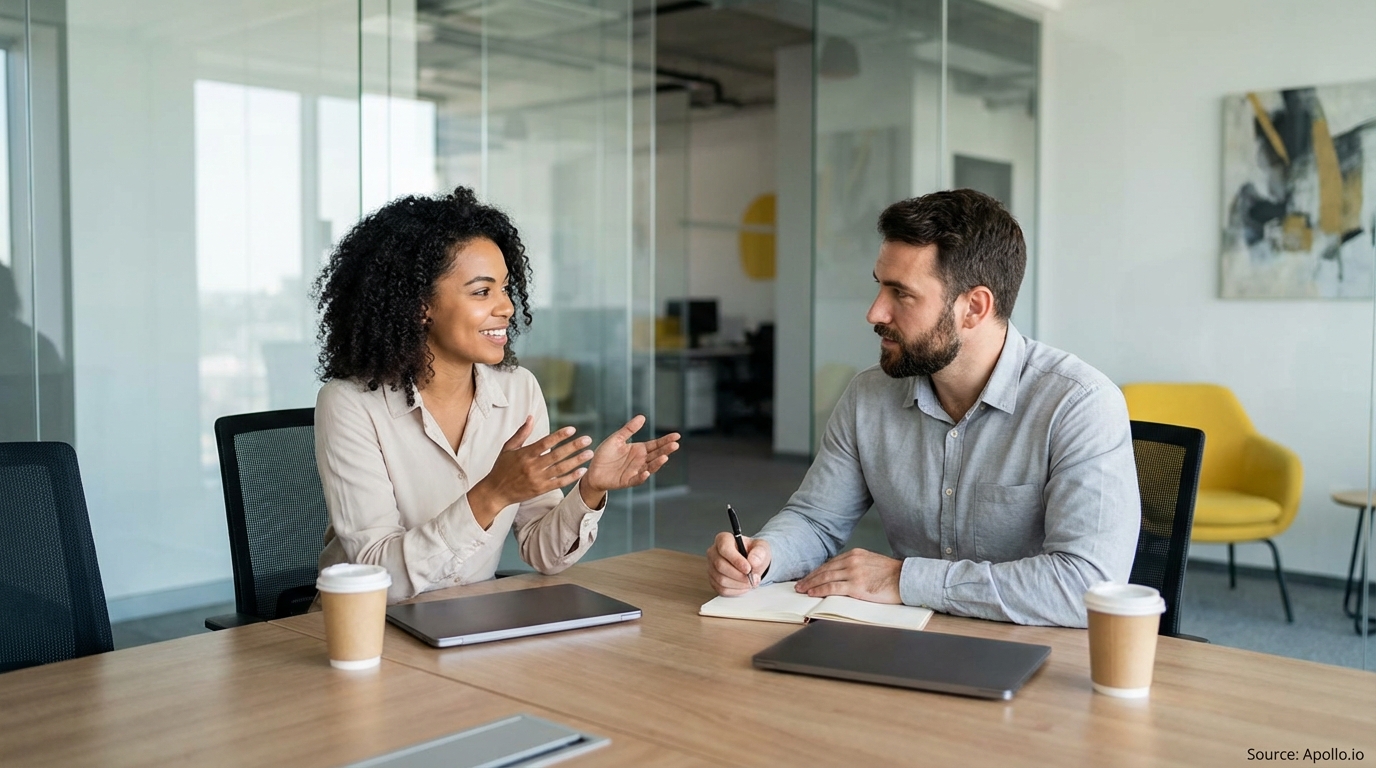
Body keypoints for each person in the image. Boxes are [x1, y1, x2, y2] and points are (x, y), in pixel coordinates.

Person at [707, 189, 1139, 628]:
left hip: (1035, 655)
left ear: (974, 307)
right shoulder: (868, 396)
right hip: (908, 641)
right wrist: (764, 554)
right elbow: (817, 520)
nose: (875, 312)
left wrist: (905, 580)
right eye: (879, 286)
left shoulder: (1079, 405)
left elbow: (1088, 585)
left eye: (902, 294)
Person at [314, 187, 679, 602]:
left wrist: (589, 490)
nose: (506, 306)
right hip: (366, 630)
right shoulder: (348, 403)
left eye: (505, 288)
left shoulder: (518, 390)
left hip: (465, 625)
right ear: (420, 306)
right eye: (481, 291)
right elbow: (377, 577)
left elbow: (544, 553)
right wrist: (492, 494)